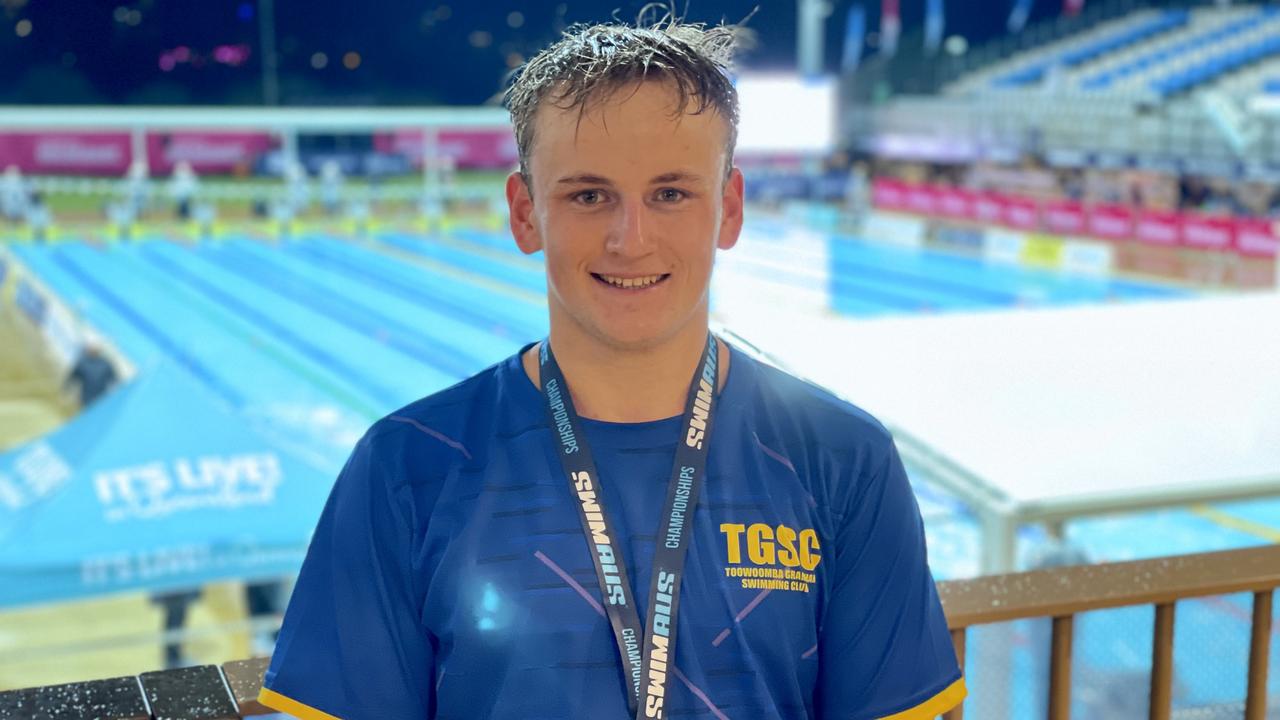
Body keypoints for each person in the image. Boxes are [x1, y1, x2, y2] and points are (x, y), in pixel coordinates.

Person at [259, 18, 965, 720]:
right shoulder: (407, 467)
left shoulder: (843, 459)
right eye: (589, 195)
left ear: (729, 208)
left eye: (671, 193)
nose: (632, 239)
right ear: (525, 213)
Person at [64, 341, 119, 408]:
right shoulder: (83, 362)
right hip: (85, 397)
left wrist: (115, 394)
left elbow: (114, 379)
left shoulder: (105, 364)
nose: (92, 350)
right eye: (91, 348)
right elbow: (74, 376)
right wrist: (67, 387)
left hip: (100, 398)